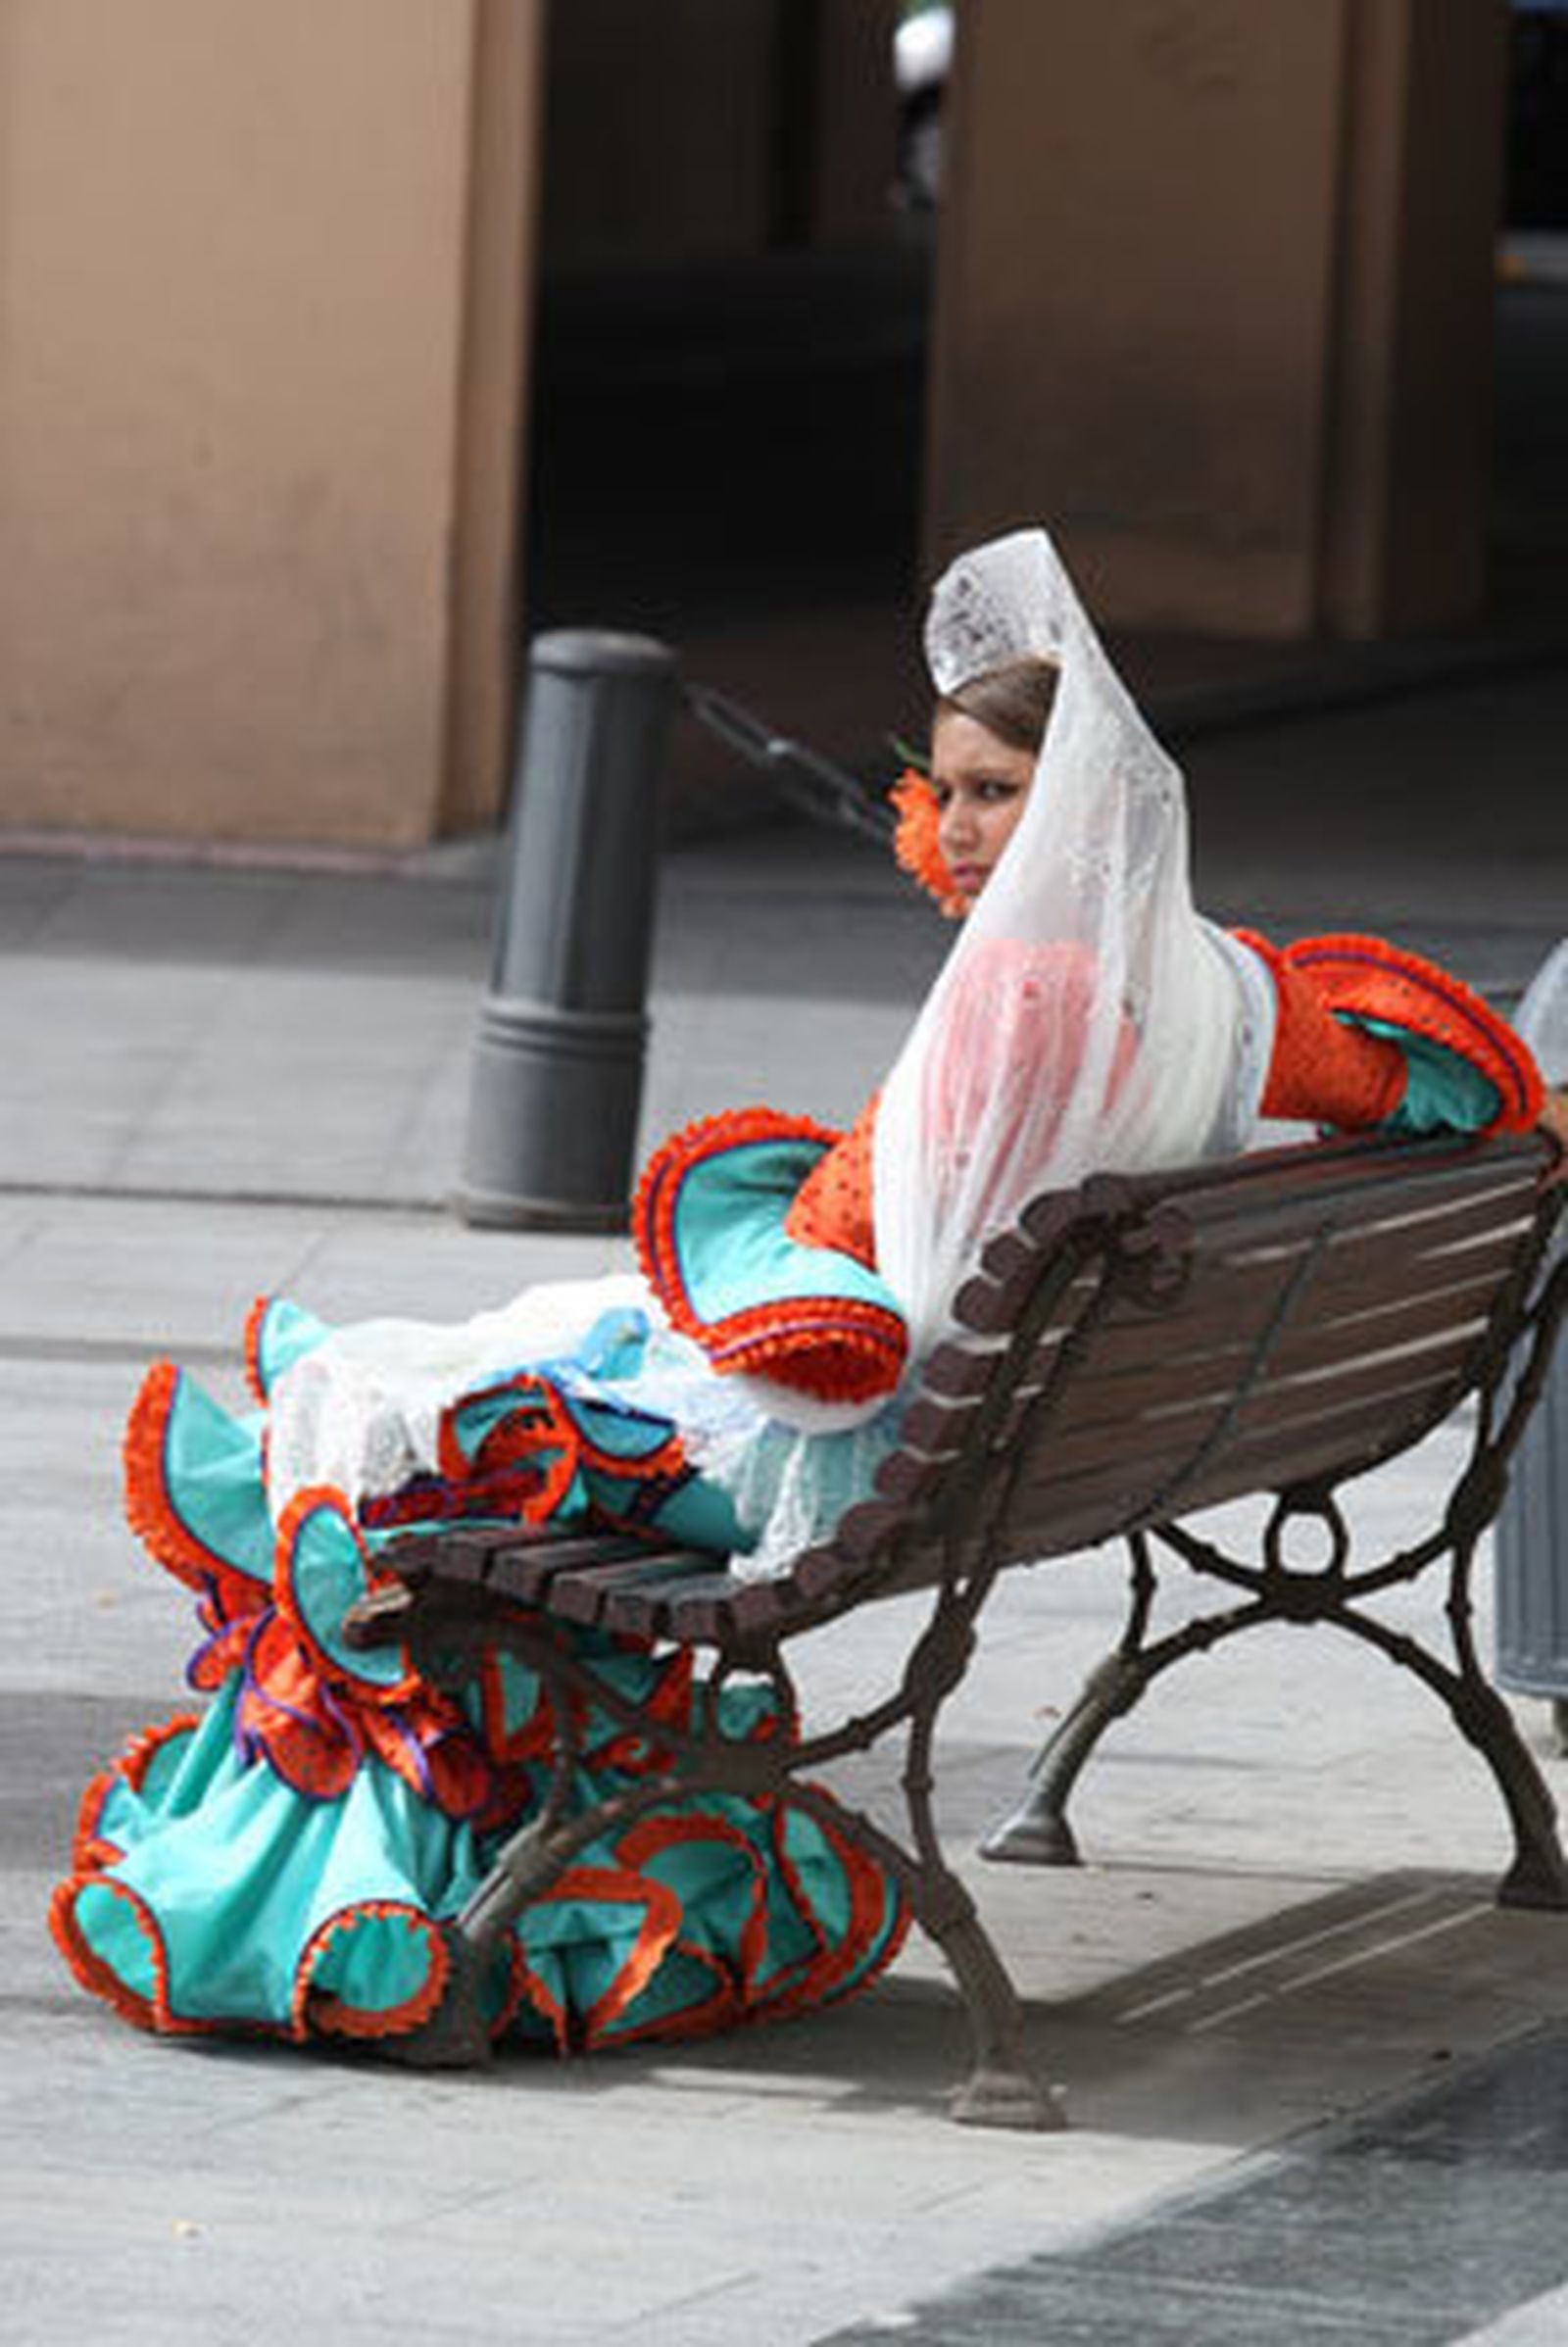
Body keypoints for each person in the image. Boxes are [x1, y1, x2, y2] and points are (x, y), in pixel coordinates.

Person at [51, 528, 1566, 2059]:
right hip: (1037, 1434)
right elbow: (1427, 1084)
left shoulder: (1020, 990)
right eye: (950, 792)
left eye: (996, 796)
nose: (959, 830)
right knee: (468, 1378)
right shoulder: (1232, 985)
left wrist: (742, 1254)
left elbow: (839, 1232)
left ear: (1082, 802)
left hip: (852, 1456)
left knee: (379, 1428)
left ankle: (357, 1902)